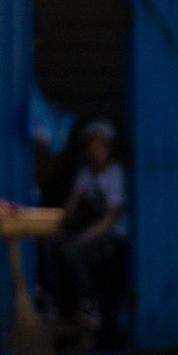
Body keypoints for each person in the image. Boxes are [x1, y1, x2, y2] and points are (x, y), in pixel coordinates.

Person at [54, 120, 127, 343]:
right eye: (92, 146)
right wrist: (60, 221)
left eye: (100, 146)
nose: (95, 151)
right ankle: (59, 308)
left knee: (74, 252)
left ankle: (90, 304)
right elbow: (71, 204)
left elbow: (109, 220)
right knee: (54, 248)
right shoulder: (87, 173)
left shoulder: (116, 174)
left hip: (114, 238)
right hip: (91, 234)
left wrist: (79, 238)